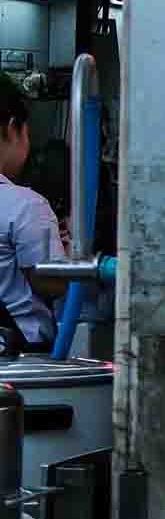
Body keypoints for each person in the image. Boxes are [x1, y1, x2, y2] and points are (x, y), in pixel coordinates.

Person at [0, 80, 66, 357]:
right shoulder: (24, 205)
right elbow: (51, 283)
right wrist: (72, 257)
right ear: (13, 128)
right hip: (16, 356)